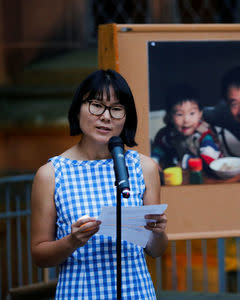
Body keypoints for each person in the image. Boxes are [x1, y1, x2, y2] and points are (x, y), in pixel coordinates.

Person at [30, 69, 168, 299]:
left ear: (126, 117)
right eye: (96, 105)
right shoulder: (51, 174)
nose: (105, 117)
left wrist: (158, 232)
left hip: (136, 291)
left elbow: (156, 250)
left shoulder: (144, 168)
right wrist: (71, 241)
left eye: (116, 109)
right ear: (78, 109)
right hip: (79, 292)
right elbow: (39, 256)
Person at [151, 84, 223, 175]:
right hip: (185, 174)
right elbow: (159, 148)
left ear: (200, 114)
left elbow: (209, 161)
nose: (186, 120)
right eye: (180, 114)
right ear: (170, 116)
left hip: (210, 174)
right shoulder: (170, 133)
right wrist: (154, 160)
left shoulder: (205, 135)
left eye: (192, 113)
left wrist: (187, 161)